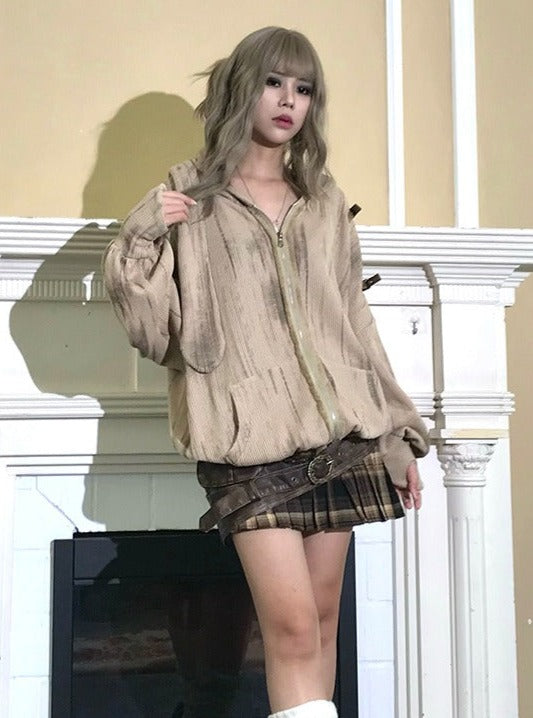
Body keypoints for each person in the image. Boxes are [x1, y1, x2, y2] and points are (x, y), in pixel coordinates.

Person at [103, 26, 429, 718]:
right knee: (290, 629)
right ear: (241, 89)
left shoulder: (323, 198)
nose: (288, 100)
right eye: (273, 83)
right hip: (249, 444)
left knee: (322, 622)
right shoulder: (190, 193)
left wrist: (397, 434)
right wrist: (140, 235)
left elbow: (353, 323)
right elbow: (156, 334)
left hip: (342, 440)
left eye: (302, 88)